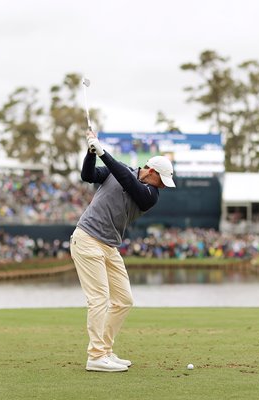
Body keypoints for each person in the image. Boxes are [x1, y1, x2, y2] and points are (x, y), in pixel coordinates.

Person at [70, 129, 176, 372]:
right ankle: (96, 356)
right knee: (99, 299)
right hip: (87, 238)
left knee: (124, 300)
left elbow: (128, 182)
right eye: (162, 180)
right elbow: (88, 175)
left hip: (109, 245)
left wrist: (103, 152)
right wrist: (90, 152)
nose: (163, 187)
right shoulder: (119, 170)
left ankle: (105, 350)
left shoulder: (151, 195)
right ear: (151, 171)